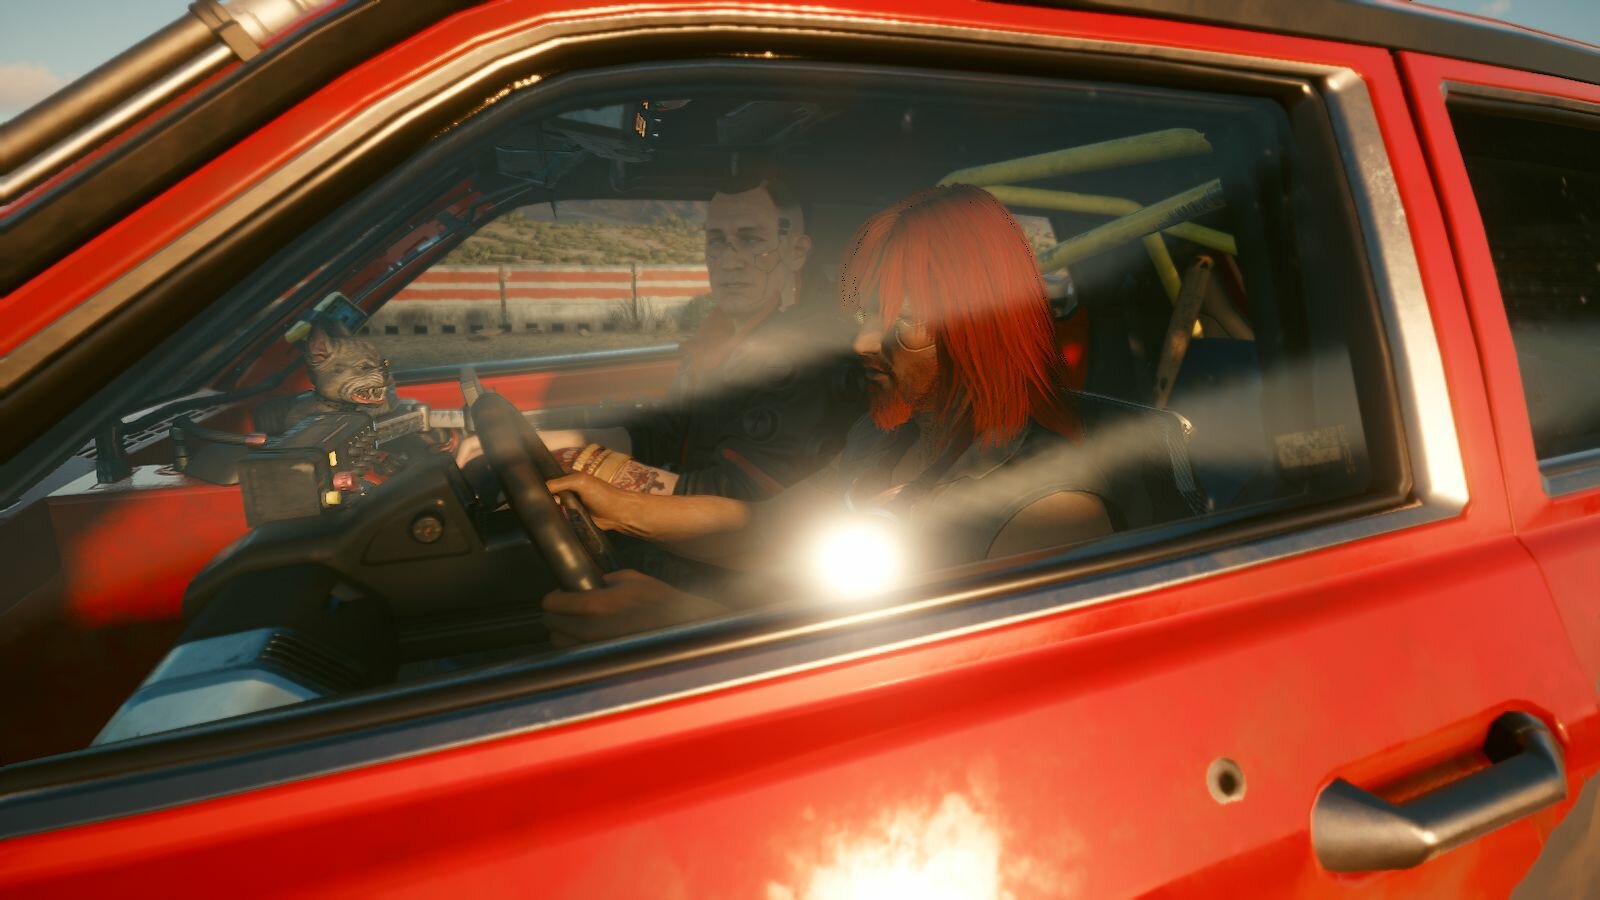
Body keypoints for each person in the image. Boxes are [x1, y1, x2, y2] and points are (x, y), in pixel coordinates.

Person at [540, 184, 1118, 644]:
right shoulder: (884, 441)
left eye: (900, 321)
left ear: (980, 327)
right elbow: (763, 529)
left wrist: (687, 622)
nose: (864, 343)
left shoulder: (1048, 513)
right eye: (866, 315)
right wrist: (623, 509)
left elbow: (934, 682)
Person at [513, 176, 864, 500]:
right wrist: (553, 443)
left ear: (796, 252)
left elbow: (738, 496)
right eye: (717, 241)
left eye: (751, 240)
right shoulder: (716, 341)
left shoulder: (806, 358)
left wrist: (587, 466)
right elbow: (666, 433)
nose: (729, 261)